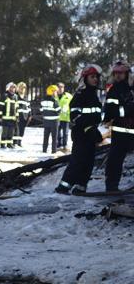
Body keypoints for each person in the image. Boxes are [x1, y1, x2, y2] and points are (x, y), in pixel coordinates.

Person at [55, 65, 103, 195]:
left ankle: (81, 187)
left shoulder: (95, 95)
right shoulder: (80, 95)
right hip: (81, 134)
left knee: (89, 162)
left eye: (96, 77)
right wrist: (88, 128)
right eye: (92, 77)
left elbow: (97, 115)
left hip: (91, 133)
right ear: (85, 78)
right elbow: (75, 115)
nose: (95, 80)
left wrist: (94, 129)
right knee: (78, 160)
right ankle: (64, 186)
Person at [102, 60, 134, 191]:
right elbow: (109, 111)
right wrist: (127, 110)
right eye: (115, 73)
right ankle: (111, 186)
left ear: (127, 74)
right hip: (120, 132)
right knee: (115, 160)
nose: (117, 76)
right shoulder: (114, 90)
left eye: (120, 73)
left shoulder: (132, 89)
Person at [40, 85, 61, 154]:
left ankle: (44, 150)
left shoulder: (43, 100)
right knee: (54, 138)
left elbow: (41, 110)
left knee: (45, 137)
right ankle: (53, 151)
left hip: (46, 121)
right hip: (54, 121)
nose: (56, 93)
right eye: (55, 91)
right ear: (52, 92)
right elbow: (58, 110)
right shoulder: (54, 101)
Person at [0, 82, 18, 148]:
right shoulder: (4, 96)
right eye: (12, 87)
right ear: (8, 88)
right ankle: (2, 144)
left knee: (11, 132)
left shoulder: (15, 96)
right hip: (5, 118)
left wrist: (17, 117)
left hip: (12, 118)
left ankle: (9, 144)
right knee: (5, 131)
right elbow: (0, 106)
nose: (13, 89)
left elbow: (16, 108)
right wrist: (0, 116)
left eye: (14, 87)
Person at [57, 82, 73, 152]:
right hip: (56, 118)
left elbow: (73, 105)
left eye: (62, 87)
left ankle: (65, 145)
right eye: (59, 87)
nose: (60, 89)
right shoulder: (54, 96)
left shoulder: (68, 96)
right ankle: (58, 145)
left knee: (65, 133)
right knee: (57, 133)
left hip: (66, 117)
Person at [14, 82, 30, 147]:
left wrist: (30, 115)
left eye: (24, 88)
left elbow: (28, 107)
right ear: (18, 88)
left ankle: (19, 142)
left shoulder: (26, 97)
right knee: (16, 130)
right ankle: (14, 142)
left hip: (24, 117)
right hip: (17, 116)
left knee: (22, 130)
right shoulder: (16, 96)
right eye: (21, 88)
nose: (23, 89)